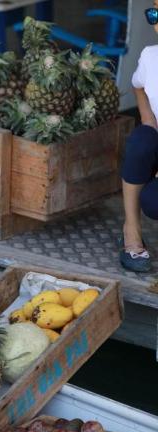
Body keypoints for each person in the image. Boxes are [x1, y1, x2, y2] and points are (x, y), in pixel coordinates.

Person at [120, 2, 158, 272]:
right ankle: (131, 230)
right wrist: (148, 121)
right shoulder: (150, 57)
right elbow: (138, 86)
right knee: (141, 141)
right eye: (154, 13)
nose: (157, 22)